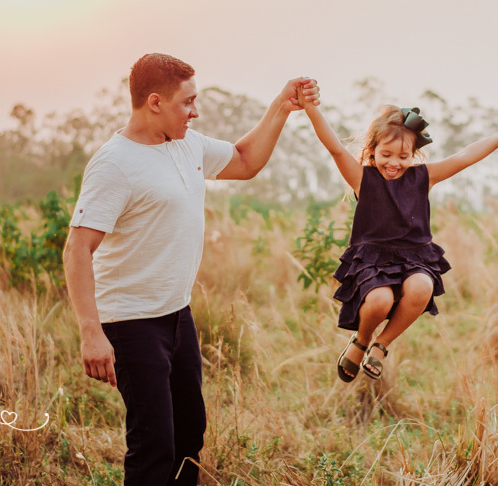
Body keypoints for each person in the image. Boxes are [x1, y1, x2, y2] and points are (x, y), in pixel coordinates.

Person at [62, 53, 319, 485]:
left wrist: (281, 106)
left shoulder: (188, 144)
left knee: (189, 434)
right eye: (188, 102)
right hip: (130, 322)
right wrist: (91, 333)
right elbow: (77, 249)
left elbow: (245, 161)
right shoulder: (114, 164)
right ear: (155, 102)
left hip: (177, 314)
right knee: (154, 446)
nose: (195, 112)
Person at [301, 98, 498, 382]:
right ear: (372, 150)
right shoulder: (362, 178)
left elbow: (465, 156)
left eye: (403, 157)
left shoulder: (423, 177)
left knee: (422, 286)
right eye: (386, 154)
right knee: (379, 300)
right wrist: (310, 106)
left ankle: (381, 345)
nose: (394, 163)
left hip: (415, 257)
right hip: (373, 259)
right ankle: (361, 341)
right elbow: (335, 148)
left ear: (414, 155)